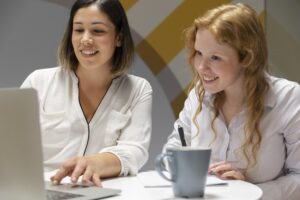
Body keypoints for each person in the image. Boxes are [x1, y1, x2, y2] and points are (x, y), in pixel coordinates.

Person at [163, 3, 300, 200]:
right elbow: (172, 152)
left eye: (215, 58)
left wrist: (249, 192)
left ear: (247, 58)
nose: (201, 67)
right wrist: (189, 170)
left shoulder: (289, 98)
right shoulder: (198, 95)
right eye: (198, 53)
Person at [21, 0, 152, 187]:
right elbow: (10, 145)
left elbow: (135, 151)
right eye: (79, 30)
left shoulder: (138, 89)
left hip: (99, 190)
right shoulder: (38, 82)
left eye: (98, 31)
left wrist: (94, 163)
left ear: (119, 38)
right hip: (41, 190)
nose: (86, 39)